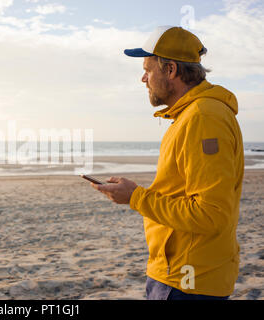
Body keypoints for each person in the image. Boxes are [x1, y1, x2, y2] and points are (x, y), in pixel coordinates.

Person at [92, 26, 244, 300]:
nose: (143, 78)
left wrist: (136, 197)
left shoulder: (202, 117)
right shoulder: (191, 115)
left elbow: (210, 214)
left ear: (170, 70)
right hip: (183, 274)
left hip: (187, 281)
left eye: (148, 70)